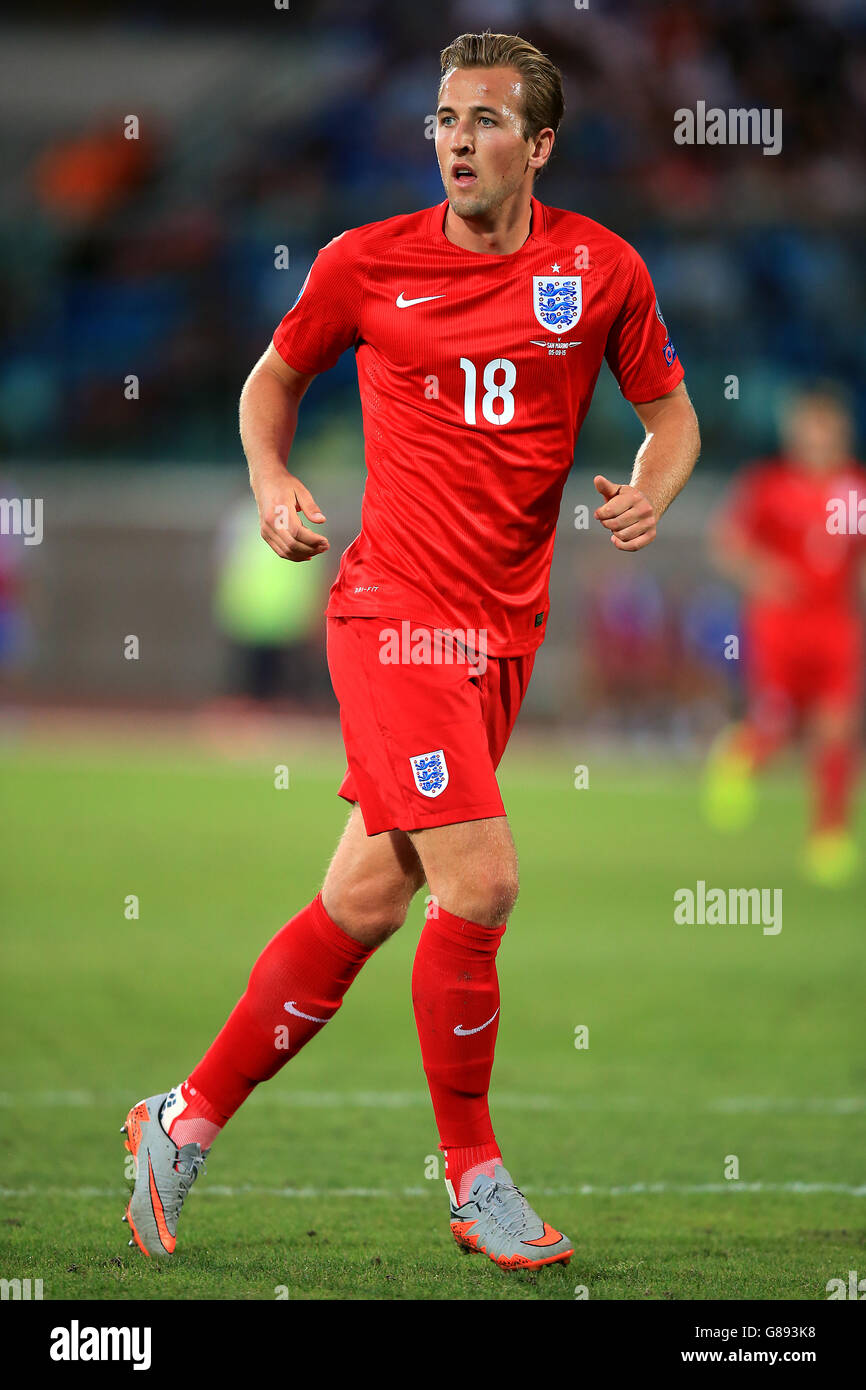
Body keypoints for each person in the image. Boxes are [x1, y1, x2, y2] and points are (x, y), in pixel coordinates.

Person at [121, 30, 699, 1271]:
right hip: (393, 616)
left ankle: (179, 1118)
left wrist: (651, 485)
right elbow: (269, 384)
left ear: (538, 145)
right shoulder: (364, 263)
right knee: (479, 882)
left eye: (485, 121)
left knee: (365, 899)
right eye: (443, 117)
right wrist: (272, 482)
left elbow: (670, 415)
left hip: (503, 634)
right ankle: (473, 1173)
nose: (454, 138)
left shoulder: (598, 270)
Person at [703, 385, 866, 884]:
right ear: (794, 432)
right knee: (779, 724)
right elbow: (727, 543)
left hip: (837, 623)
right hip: (778, 624)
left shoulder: (855, 490)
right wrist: (764, 574)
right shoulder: (768, 484)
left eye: (826, 427)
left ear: (841, 430)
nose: (817, 437)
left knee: (837, 728)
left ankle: (828, 838)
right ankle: (741, 756)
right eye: (808, 427)